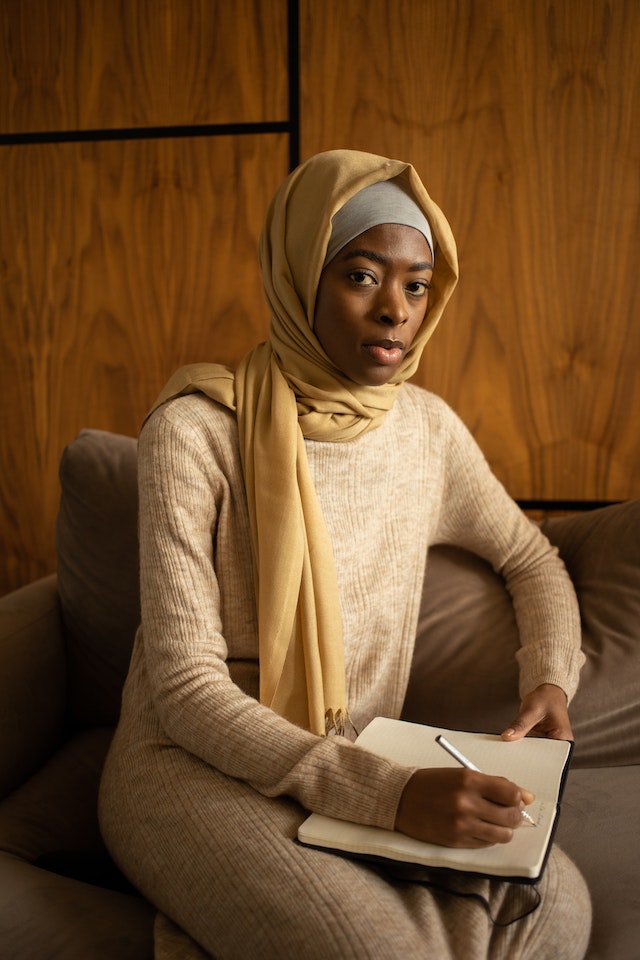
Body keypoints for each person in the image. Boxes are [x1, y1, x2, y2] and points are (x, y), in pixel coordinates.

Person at [99, 149, 591, 959]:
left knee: (557, 905)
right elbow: (184, 690)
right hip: (188, 764)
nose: (396, 310)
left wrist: (549, 675)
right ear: (299, 278)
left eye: (417, 284)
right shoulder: (194, 430)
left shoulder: (427, 431)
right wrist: (387, 796)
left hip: (359, 761)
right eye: (362, 276)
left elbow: (530, 558)